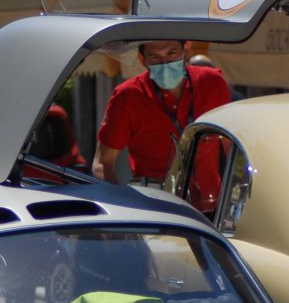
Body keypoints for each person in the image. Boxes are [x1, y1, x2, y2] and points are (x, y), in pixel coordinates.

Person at [93, 40, 231, 195]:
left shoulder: (212, 82)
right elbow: (102, 163)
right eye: (154, 57)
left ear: (187, 50)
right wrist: (121, 200)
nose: (165, 63)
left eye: (172, 53)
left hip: (209, 207)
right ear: (142, 59)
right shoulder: (128, 95)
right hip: (154, 207)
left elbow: (231, 148)